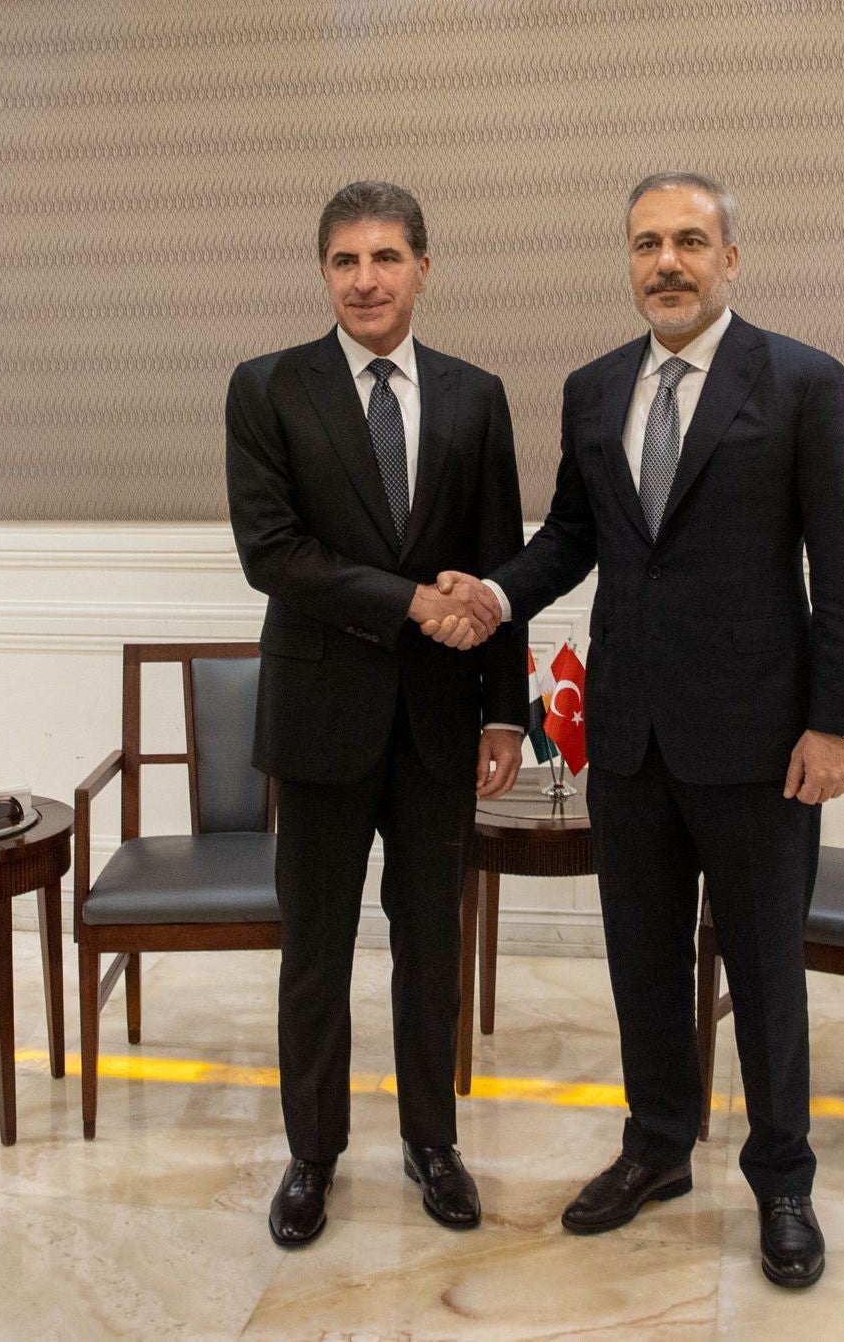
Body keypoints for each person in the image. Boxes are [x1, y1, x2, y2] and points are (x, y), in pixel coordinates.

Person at [428, 171, 844, 1287]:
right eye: (645, 244)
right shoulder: (593, 390)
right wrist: (495, 594)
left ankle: (782, 1180)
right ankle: (658, 1146)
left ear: (731, 259)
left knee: (765, 970)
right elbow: (571, 537)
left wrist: (835, 726)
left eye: (688, 241)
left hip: (760, 744)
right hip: (627, 738)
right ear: (627, 262)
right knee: (641, 959)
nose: (665, 263)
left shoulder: (804, 382)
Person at [224, 180, 527, 1248]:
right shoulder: (266, 388)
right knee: (315, 947)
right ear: (323, 273)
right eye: (345, 261)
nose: (365, 280)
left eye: (386, 258)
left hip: (442, 724)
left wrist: (506, 713)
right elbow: (273, 554)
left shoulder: (477, 396)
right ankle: (312, 1154)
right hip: (319, 717)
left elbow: (497, 564)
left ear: (422, 270)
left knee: (430, 947)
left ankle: (432, 1144)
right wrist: (408, 602)